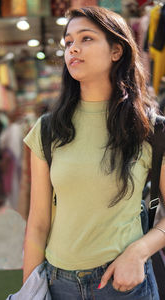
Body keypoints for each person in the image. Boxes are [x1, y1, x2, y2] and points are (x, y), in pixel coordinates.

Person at [23, 6, 165, 300]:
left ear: (116, 51)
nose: (73, 48)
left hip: (123, 283)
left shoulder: (149, 129)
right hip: (57, 282)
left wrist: (139, 252)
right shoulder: (48, 129)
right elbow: (37, 224)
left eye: (86, 39)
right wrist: (30, 291)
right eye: (68, 42)